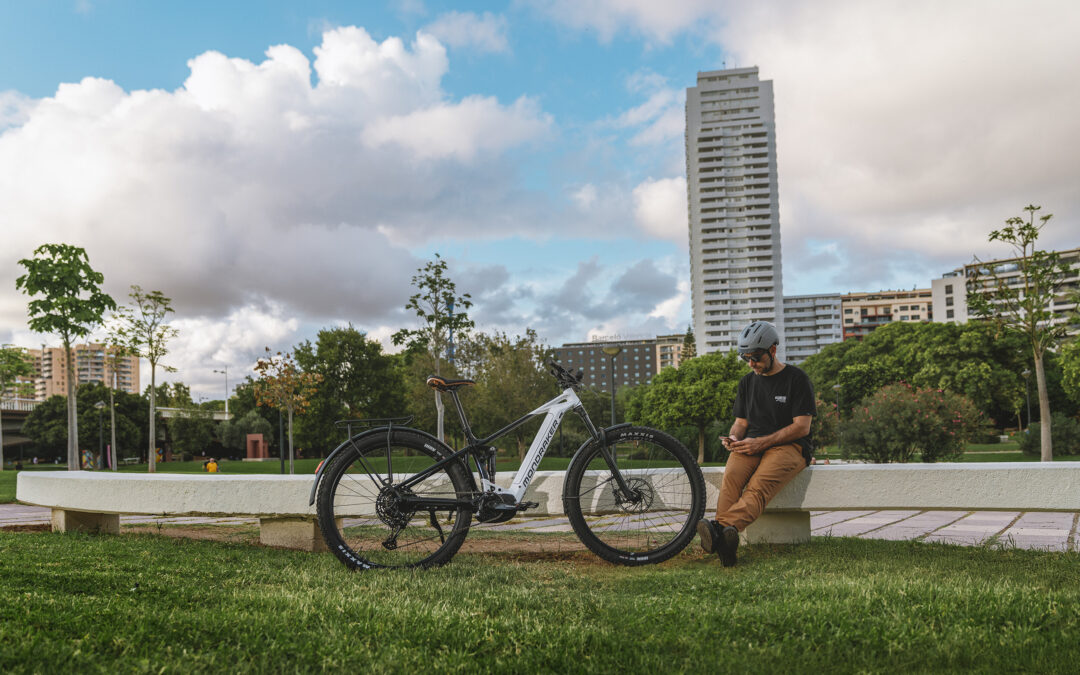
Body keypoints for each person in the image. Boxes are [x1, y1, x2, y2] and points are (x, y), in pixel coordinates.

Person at [697, 321, 816, 567]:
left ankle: (717, 530)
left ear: (773, 350)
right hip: (751, 444)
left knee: (757, 488)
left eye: (756, 357)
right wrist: (734, 438)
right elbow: (741, 422)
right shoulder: (747, 382)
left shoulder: (797, 379)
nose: (751, 364)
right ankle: (725, 546)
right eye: (745, 358)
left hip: (790, 446)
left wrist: (762, 443)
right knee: (730, 480)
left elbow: (802, 426)